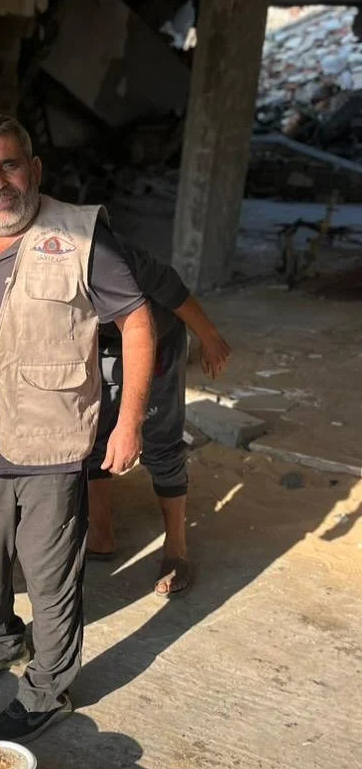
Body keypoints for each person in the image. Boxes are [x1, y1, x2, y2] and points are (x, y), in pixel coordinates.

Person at [0, 114, 156, 741]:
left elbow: (138, 323)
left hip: (51, 443)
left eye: (9, 165)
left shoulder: (82, 234)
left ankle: (47, 689)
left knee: (51, 574)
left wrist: (129, 422)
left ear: (34, 170)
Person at [87, 242, 232, 595]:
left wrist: (209, 336)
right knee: (90, 434)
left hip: (158, 337)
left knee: (159, 440)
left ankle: (176, 548)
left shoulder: (109, 253)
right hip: (99, 341)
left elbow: (171, 287)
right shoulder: (28, 259)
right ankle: (101, 532)